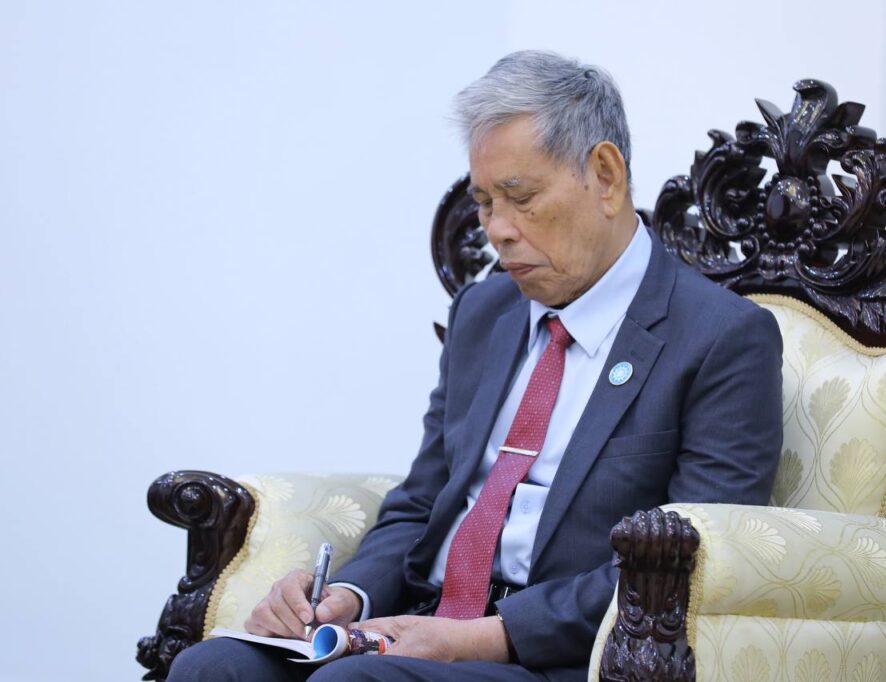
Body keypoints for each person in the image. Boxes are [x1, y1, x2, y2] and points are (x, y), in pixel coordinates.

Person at [168, 49, 783, 682]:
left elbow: (686, 567)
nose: (499, 230)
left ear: (605, 175)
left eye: (521, 197)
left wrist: (483, 638)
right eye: (486, 202)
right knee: (212, 668)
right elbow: (422, 503)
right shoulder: (484, 313)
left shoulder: (720, 338)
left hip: (553, 657)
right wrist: (347, 598)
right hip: (418, 627)